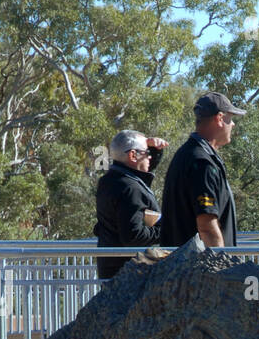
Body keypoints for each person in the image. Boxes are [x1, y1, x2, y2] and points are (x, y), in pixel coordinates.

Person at [160, 92, 246, 248]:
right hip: (198, 268)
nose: (232, 124)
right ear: (219, 118)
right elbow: (206, 227)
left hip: (183, 264)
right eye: (230, 118)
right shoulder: (201, 161)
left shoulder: (188, 153)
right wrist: (221, 266)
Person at [94, 129, 167, 279]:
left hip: (110, 269)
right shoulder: (130, 188)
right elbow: (133, 235)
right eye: (147, 153)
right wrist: (167, 228)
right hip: (131, 276)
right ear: (133, 155)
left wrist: (154, 149)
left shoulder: (109, 180)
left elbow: (144, 171)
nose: (150, 157)